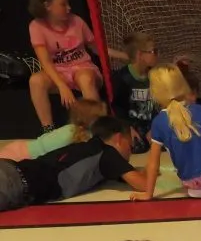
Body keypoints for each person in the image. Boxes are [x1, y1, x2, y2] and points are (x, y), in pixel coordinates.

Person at [27, 0, 126, 132]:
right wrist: (61, 85)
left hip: (83, 68)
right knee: (35, 81)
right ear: (47, 6)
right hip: (58, 72)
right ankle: (48, 129)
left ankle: (96, 128)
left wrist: (125, 56)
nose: (69, 8)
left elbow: (97, 48)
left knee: (85, 78)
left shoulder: (77, 22)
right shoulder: (36, 26)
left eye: (69, 3)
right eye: (63, 4)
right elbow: (45, 62)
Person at [1, 116, 145, 212]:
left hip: (13, 170)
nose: (130, 153)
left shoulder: (91, 148)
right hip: (17, 183)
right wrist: (152, 167)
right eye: (129, 146)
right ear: (119, 139)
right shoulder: (108, 153)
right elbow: (143, 184)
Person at [134, 64, 201, 200]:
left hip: (193, 181)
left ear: (155, 92)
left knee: (188, 179)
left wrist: (148, 194)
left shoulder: (158, 122)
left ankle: (200, 191)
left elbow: (154, 165)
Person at [0, 97, 107, 161]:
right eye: (102, 118)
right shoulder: (77, 133)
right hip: (21, 154)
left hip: (23, 148)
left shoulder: (74, 130)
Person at [110, 32, 159, 154]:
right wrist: (128, 128)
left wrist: (156, 126)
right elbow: (118, 107)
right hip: (134, 125)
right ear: (140, 55)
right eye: (153, 51)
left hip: (152, 123)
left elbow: (161, 105)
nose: (157, 55)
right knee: (137, 148)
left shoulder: (156, 75)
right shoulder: (122, 77)